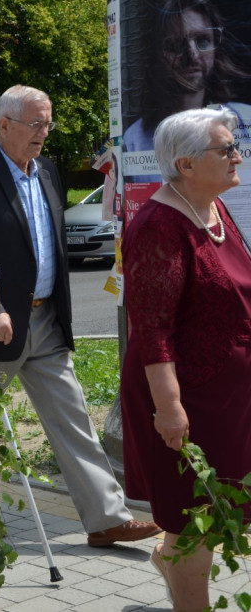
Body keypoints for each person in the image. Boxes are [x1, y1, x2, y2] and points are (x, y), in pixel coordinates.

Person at [0, 85, 160, 548]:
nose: (44, 133)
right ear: (4, 125)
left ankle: (107, 518)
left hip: (46, 322)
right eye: (35, 124)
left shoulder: (46, 170)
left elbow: (51, 244)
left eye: (48, 123)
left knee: (74, 419)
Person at [121, 108, 251, 611]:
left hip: (228, 398)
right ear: (187, 164)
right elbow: (151, 328)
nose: (237, 155)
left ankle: (173, 561)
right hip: (184, 397)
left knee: (221, 512)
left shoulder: (214, 209)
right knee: (193, 521)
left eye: (235, 145)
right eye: (226, 148)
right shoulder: (159, 225)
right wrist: (169, 408)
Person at [123, 0, 251, 153]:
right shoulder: (134, 140)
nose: (192, 54)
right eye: (176, 45)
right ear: (157, 54)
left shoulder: (246, 121)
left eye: (203, 41)